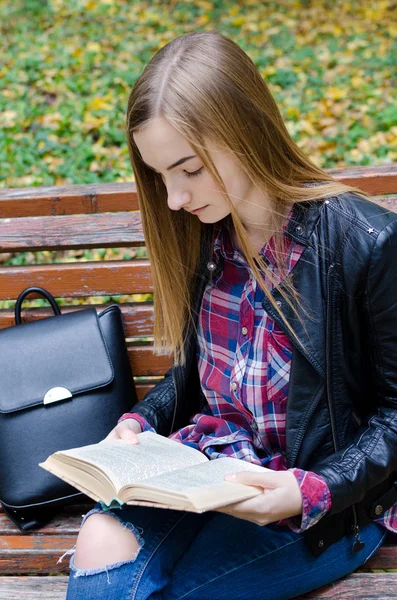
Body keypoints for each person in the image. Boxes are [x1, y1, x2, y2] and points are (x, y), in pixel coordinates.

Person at [65, 30, 397, 600]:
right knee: (99, 538)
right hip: (209, 471)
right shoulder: (205, 237)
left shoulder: (362, 243)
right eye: (160, 175)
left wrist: (307, 489)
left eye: (188, 169)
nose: (173, 198)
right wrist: (139, 423)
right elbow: (195, 378)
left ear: (244, 132)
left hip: (320, 503)